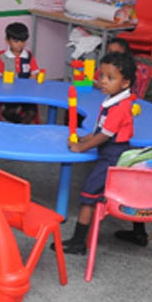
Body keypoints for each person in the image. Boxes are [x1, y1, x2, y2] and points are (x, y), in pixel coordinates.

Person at [58, 52, 136, 255]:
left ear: (125, 83)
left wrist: (81, 147)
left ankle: (78, 241)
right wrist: (85, 139)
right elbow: (101, 130)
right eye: (102, 76)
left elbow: (105, 136)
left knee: (88, 193)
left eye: (110, 78)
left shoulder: (120, 107)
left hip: (113, 156)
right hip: (111, 151)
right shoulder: (114, 100)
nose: (103, 81)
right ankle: (139, 232)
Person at [0, 22, 39, 124]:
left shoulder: (28, 55)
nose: (20, 44)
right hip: (9, 93)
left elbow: (34, 73)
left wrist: (28, 86)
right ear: (7, 40)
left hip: (26, 93)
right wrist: (6, 87)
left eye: (23, 41)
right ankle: (21, 125)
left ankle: (21, 126)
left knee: (32, 112)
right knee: (8, 113)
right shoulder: (2, 56)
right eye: (16, 41)